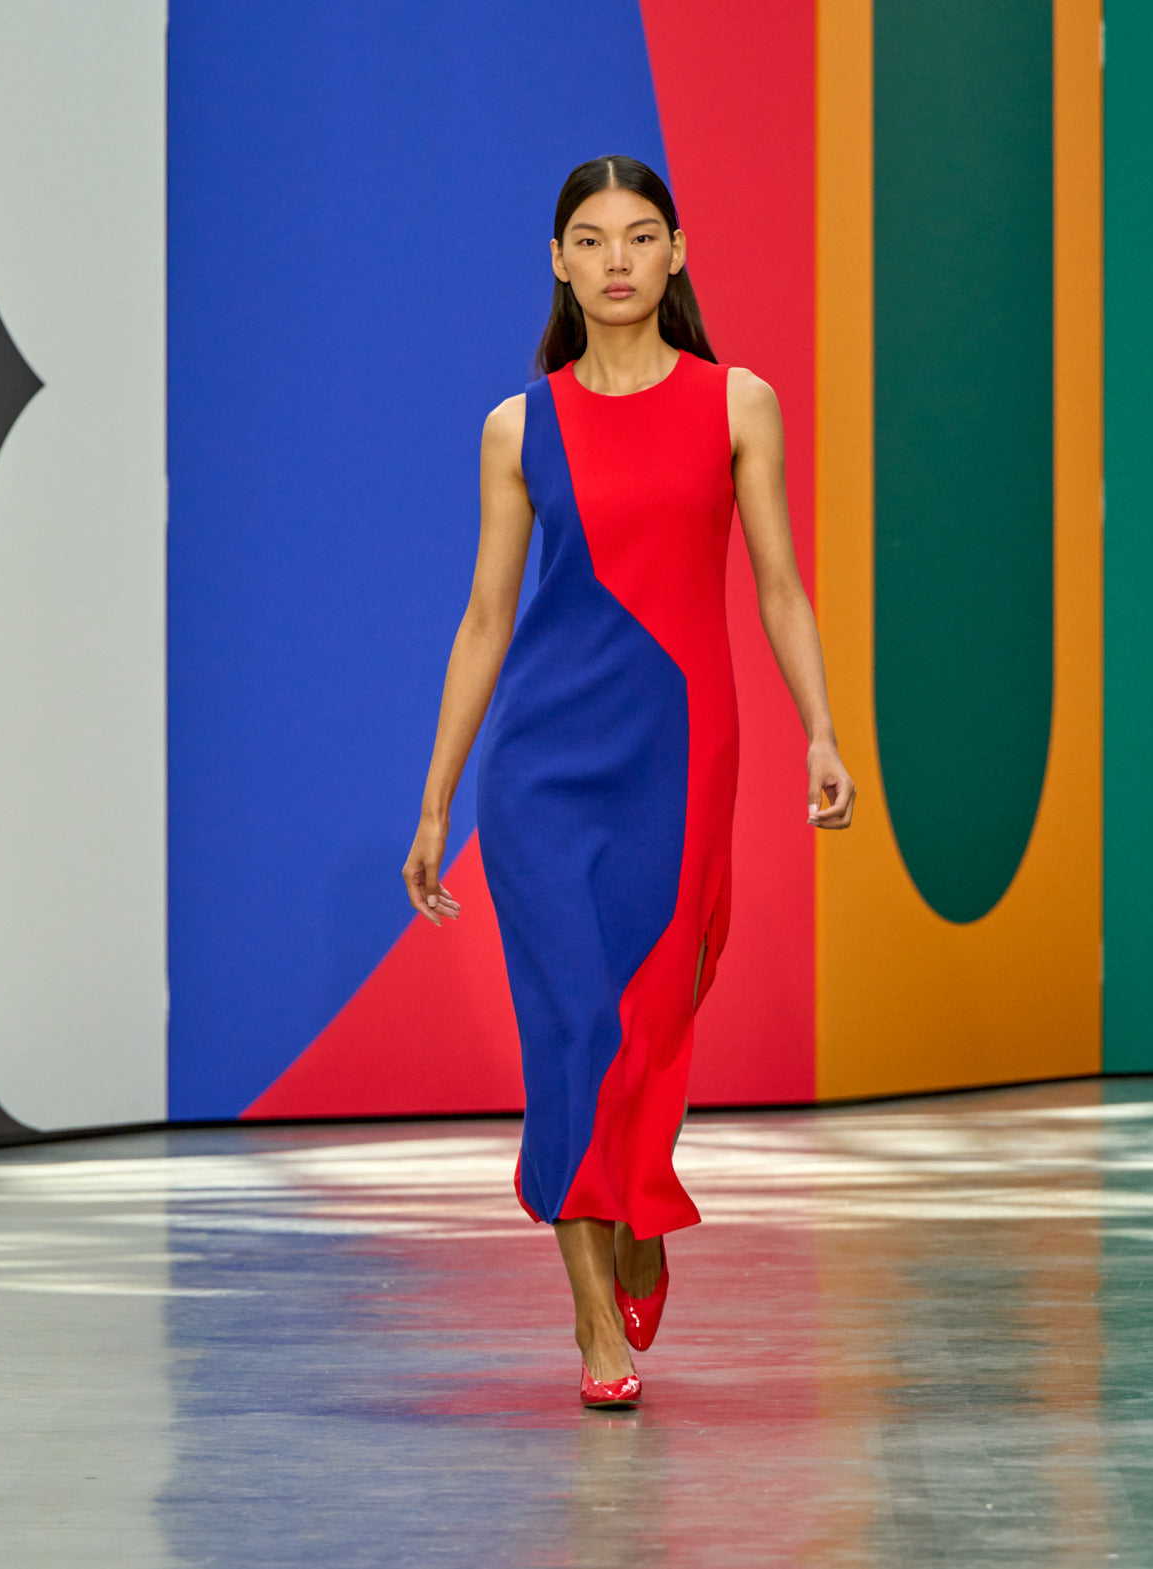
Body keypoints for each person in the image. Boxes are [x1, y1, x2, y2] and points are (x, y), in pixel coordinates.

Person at [401, 154, 855, 1410]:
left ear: (675, 254)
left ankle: (638, 1201)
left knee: (654, 1021)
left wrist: (821, 731)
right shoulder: (516, 425)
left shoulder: (736, 405)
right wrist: (439, 800)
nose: (615, 260)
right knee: (570, 1032)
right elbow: (488, 617)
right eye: (590, 239)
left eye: (639, 236)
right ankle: (595, 1324)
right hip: (542, 769)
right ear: (559, 261)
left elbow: (776, 585)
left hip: (680, 758)